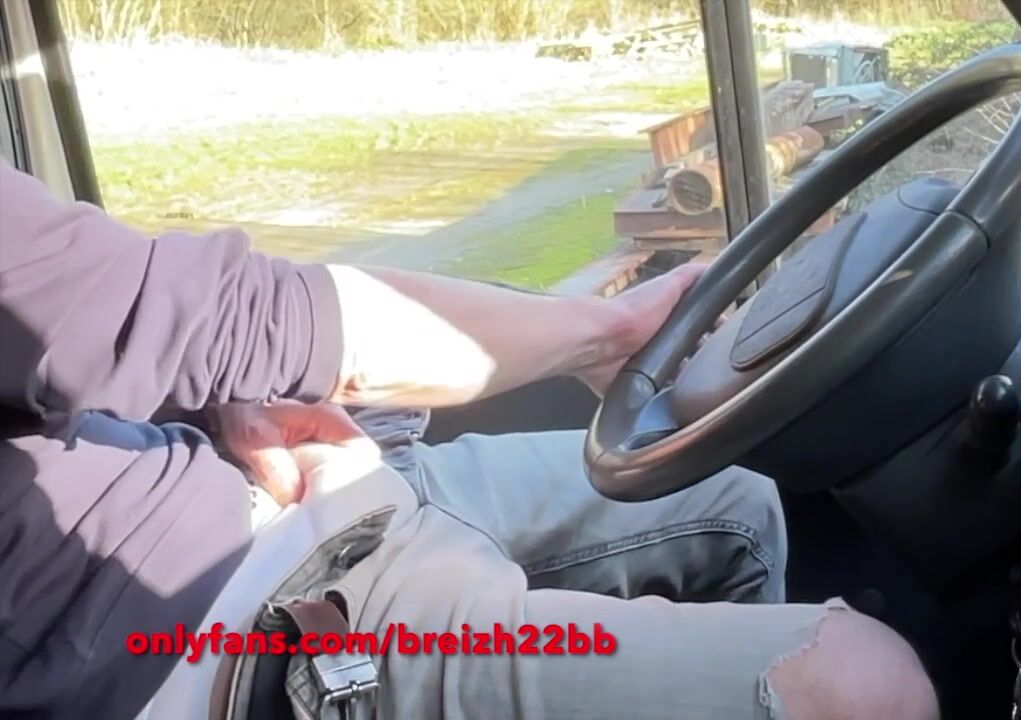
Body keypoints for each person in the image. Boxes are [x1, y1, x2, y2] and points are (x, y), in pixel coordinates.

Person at [0, 160, 939, 720]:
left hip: (270, 494)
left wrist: (218, 410)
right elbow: (247, 316)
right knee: (863, 687)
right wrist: (607, 332)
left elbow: (128, 328)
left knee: (730, 494)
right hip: (216, 641)